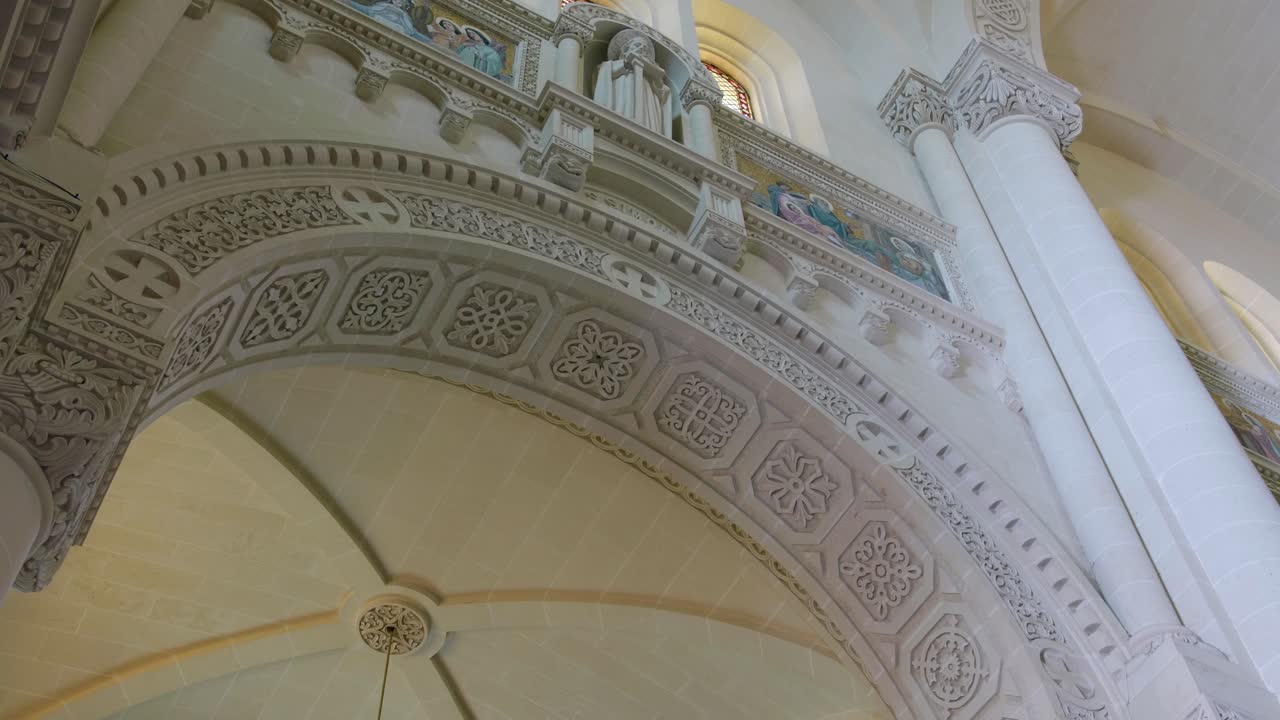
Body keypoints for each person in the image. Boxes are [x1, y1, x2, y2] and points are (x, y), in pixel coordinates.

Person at [592, 30, 673, 137]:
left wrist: (655, 76)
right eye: (638, 45)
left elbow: (663, 92)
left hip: (647, 107)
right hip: (624, 99)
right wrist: (626, 64)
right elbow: (602, 71)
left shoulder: (650, 77)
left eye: (645, 48)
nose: (642, 49)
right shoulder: (613, 66)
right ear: (625, 50)